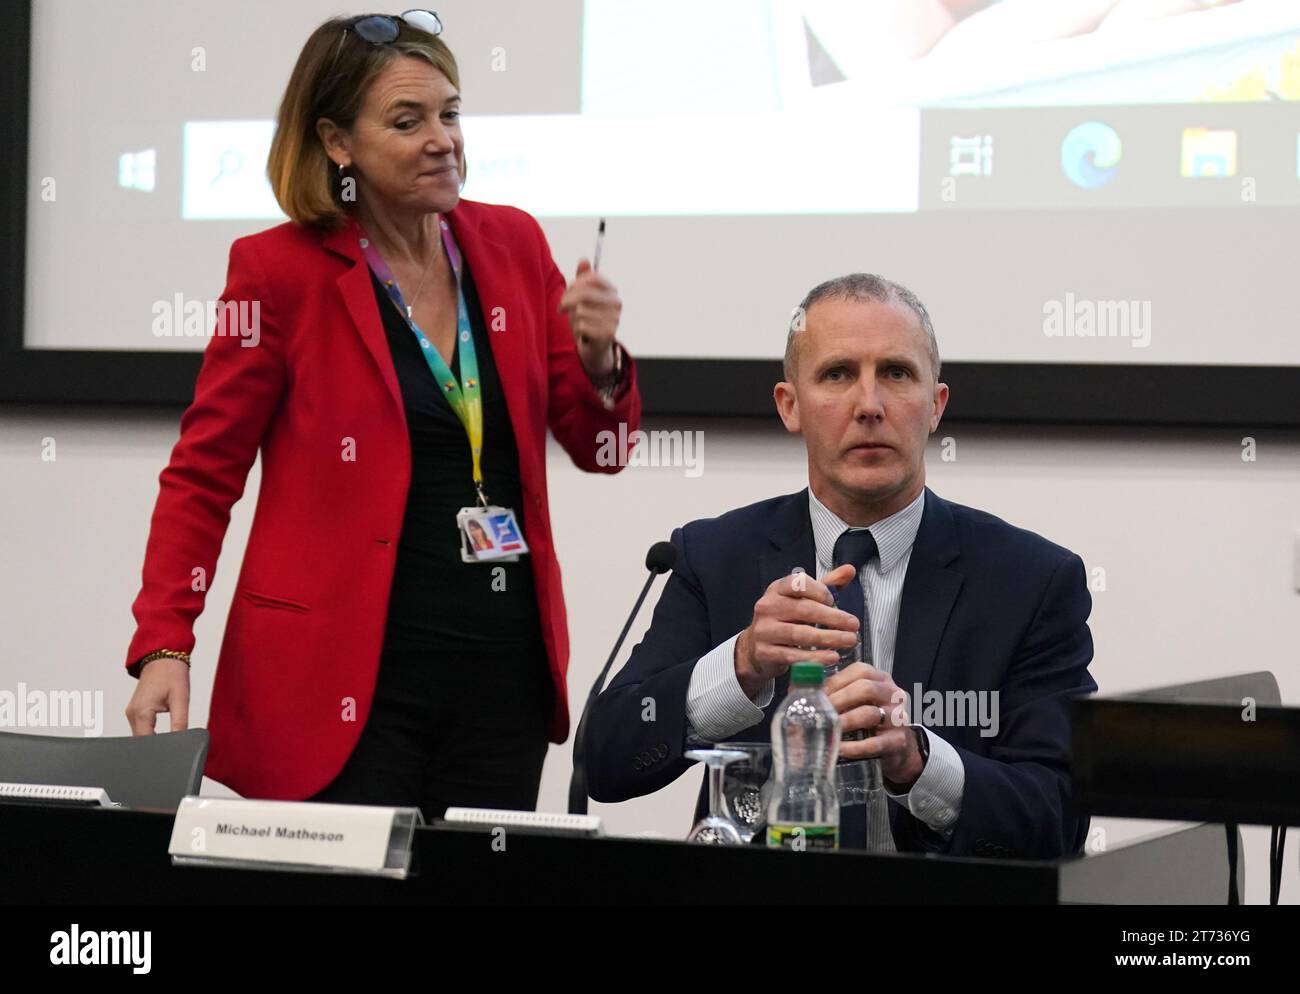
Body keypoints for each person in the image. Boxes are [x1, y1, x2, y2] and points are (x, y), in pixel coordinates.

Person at [123, 11, 641, 821]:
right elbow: (203, 472)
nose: (443, 139)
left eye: (450, 113)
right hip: (339, 680)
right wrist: (164, 640)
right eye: (408, 121)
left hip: (498, 678)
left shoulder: (511, 245)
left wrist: (601, 361)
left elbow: (601, 448)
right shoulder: (275, 272)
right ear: (337, 143)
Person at [584, 274, 1096, 857]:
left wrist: (916, 760)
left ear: (936, 406)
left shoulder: (1030, 581)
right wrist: (742, 664)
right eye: (837, 375)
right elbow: (605, 759)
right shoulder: (714, 555)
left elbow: (1059, 816)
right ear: (790, 406)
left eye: (897, 374)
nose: (869, 406)